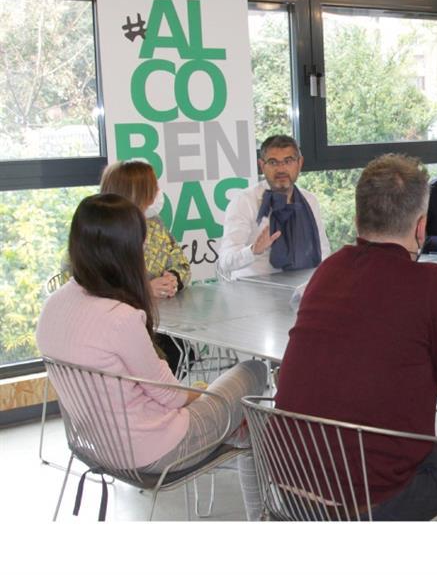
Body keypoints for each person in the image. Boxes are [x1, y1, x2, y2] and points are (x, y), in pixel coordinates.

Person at [275, 153, 437, 520]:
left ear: (357, 219)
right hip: (371, 500)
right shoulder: (433, 285)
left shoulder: (326, 273)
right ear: (421, 228)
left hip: (294, 491)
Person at [36, 194, 268, 520]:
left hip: (94, 442)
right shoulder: (120, 317)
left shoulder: (54, 305)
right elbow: (170, 397)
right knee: (254, 371)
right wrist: (200, 390)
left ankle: (241, 440)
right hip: (155, 451)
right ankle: (263, 516)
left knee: (240, 422)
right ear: (127, 251)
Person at [99, 160, 193, 374]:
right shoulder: (99, 231)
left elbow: (182, 263)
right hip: (118, 328)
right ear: (137, 193)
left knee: (183, 350)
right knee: (171, 353)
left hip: (158, 319)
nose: (159, 193)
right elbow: (92, 288)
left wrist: (174, 279)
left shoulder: (155, 225)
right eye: (154, 188)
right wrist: (145, 289)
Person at [216, 134, 331, 281]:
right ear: (262, 165)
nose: (281, 169)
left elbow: (323, 250)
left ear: (299, 163)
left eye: (288, 161)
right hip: (251, 293)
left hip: (301, 287)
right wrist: (253, 250)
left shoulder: (309, 201)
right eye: (273, 162)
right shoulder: (244, 202)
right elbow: (225, 262)